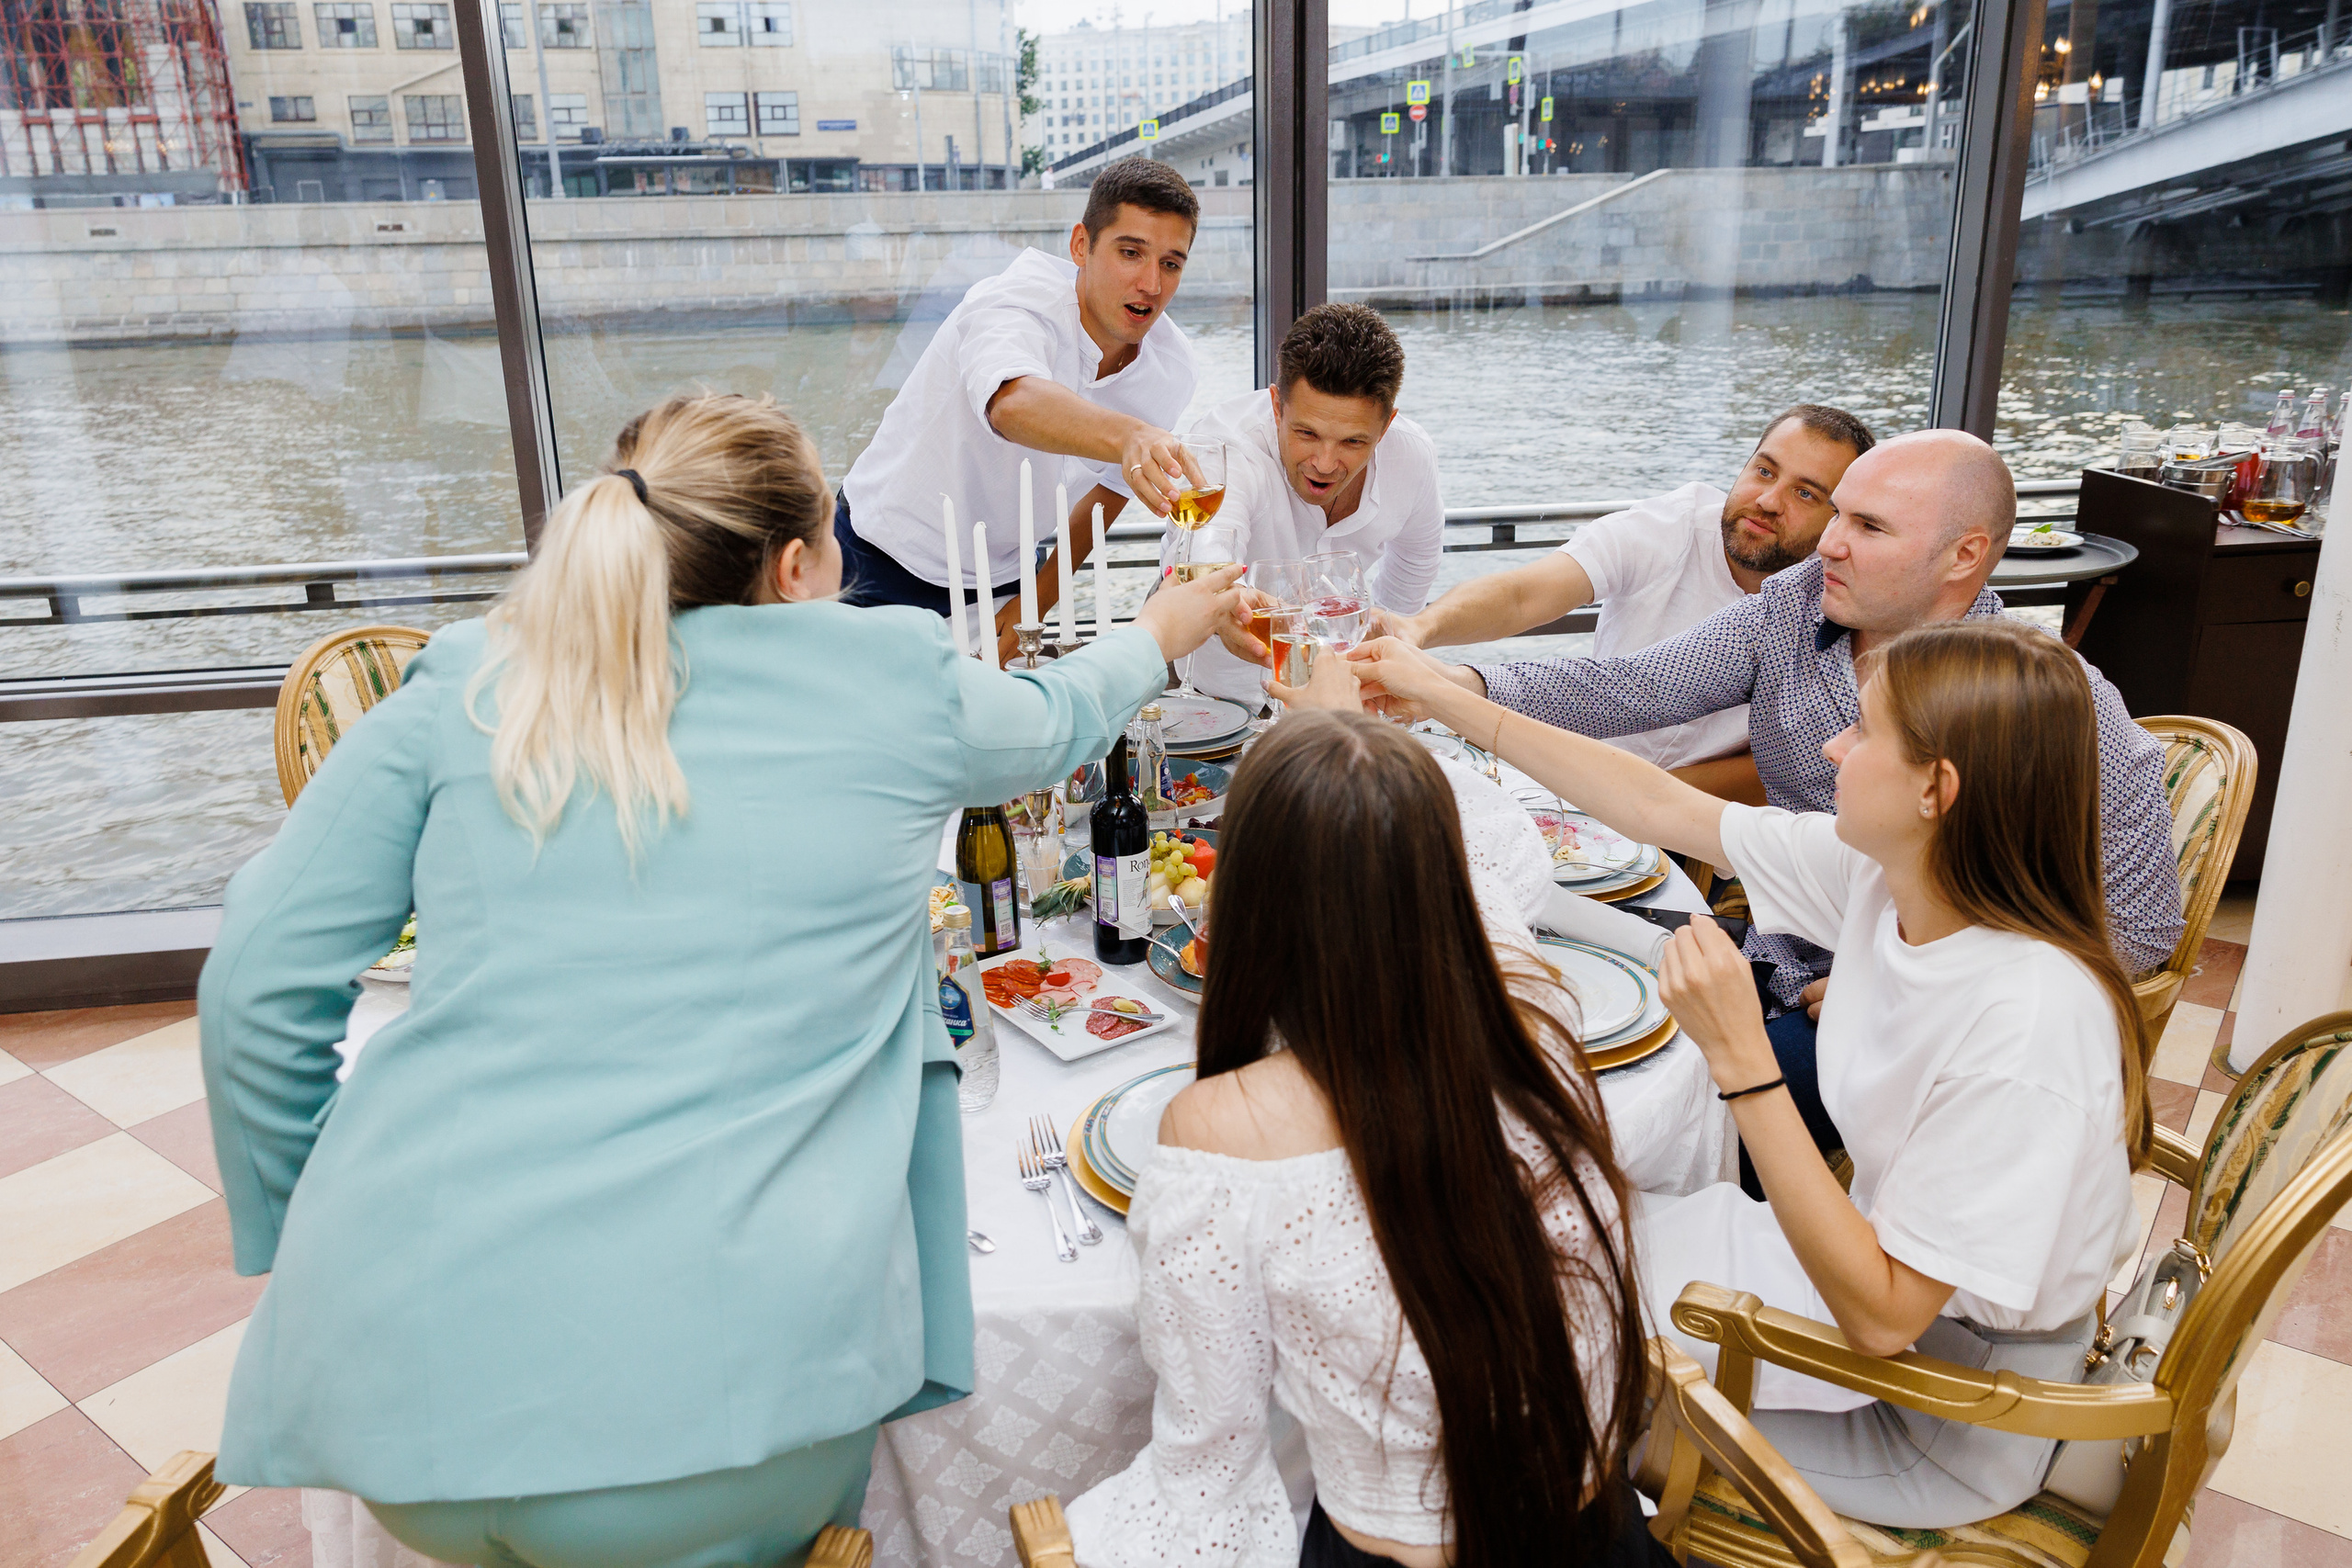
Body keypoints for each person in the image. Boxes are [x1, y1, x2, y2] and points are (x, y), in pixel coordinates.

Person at [198, 393, 1246, 1568]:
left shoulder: (470, 678)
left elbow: (255, 974)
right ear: (796, 565)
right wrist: (1161, 628)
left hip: (390, 1391)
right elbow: (1052, 719)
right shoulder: (883, 680)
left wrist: (319, 1229)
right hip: (713, 1439)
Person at [1344, 617, 2151, 1528]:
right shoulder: (1896, 880)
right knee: (1519, 1246)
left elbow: (1884, 1320)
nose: (1831, 745)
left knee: (1493, 1349)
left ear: (1937, 788)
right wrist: (1440, 697)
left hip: (1930, 1412)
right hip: (1868, 1287)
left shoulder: (2025, 1029)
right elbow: (1660, 809)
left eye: (1865, 731)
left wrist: (1742, 1062)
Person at [1355, 430, 2182, 1159]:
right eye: (1839, 514)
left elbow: (2144, 927)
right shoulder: (1795, 608)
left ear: (1964, 556)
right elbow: (1631, 693)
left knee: (1592, 1118)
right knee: (1515, 942)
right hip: (1777, 944)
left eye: (1867, 525)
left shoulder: (2049, 710)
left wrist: (1901, 982)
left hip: (1890, 1032)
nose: (1828, 543)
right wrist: (1449, 682)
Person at [1063, 710, 1660, 1568]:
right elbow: (1499, 860)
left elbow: (1213, 1451)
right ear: (1441, 880)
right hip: (1601, 1536)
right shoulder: (1542, 1031)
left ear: (1248, 902)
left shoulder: (1220, 1130)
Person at [1383, 405, 1875, 794]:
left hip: (1705, 819)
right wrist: (1419, 630)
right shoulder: (1670, 526)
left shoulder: (1840, 609)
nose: (1768, 500)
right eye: (1764, 471)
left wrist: (1628, 805)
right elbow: (1527, 597)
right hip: (1588, 779)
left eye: (1806, 494)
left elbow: (1781, 768)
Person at [836, 156, 1205, 662]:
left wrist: (1036, 601)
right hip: (880, 557)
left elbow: (1108, 492)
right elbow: (1011, 404)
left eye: (1170, 263)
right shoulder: (1012, 303)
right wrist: (1128, 436)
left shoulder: (1171, 366)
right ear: (1081, 245)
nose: (1151, 284)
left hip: (1004, 580)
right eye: (1130, 252)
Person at [1171, 303, 1445, 706]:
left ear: (1386, 426)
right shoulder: (1226, 445)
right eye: (1307, 433)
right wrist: (1229, 600)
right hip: (1212, 699)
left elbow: (1414, 566)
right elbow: (1209, 550)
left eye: (1353, 442)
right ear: (1277, 406)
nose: (1324, 463)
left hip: (1337, 704)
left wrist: (1374, 655)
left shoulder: (1412, 455)